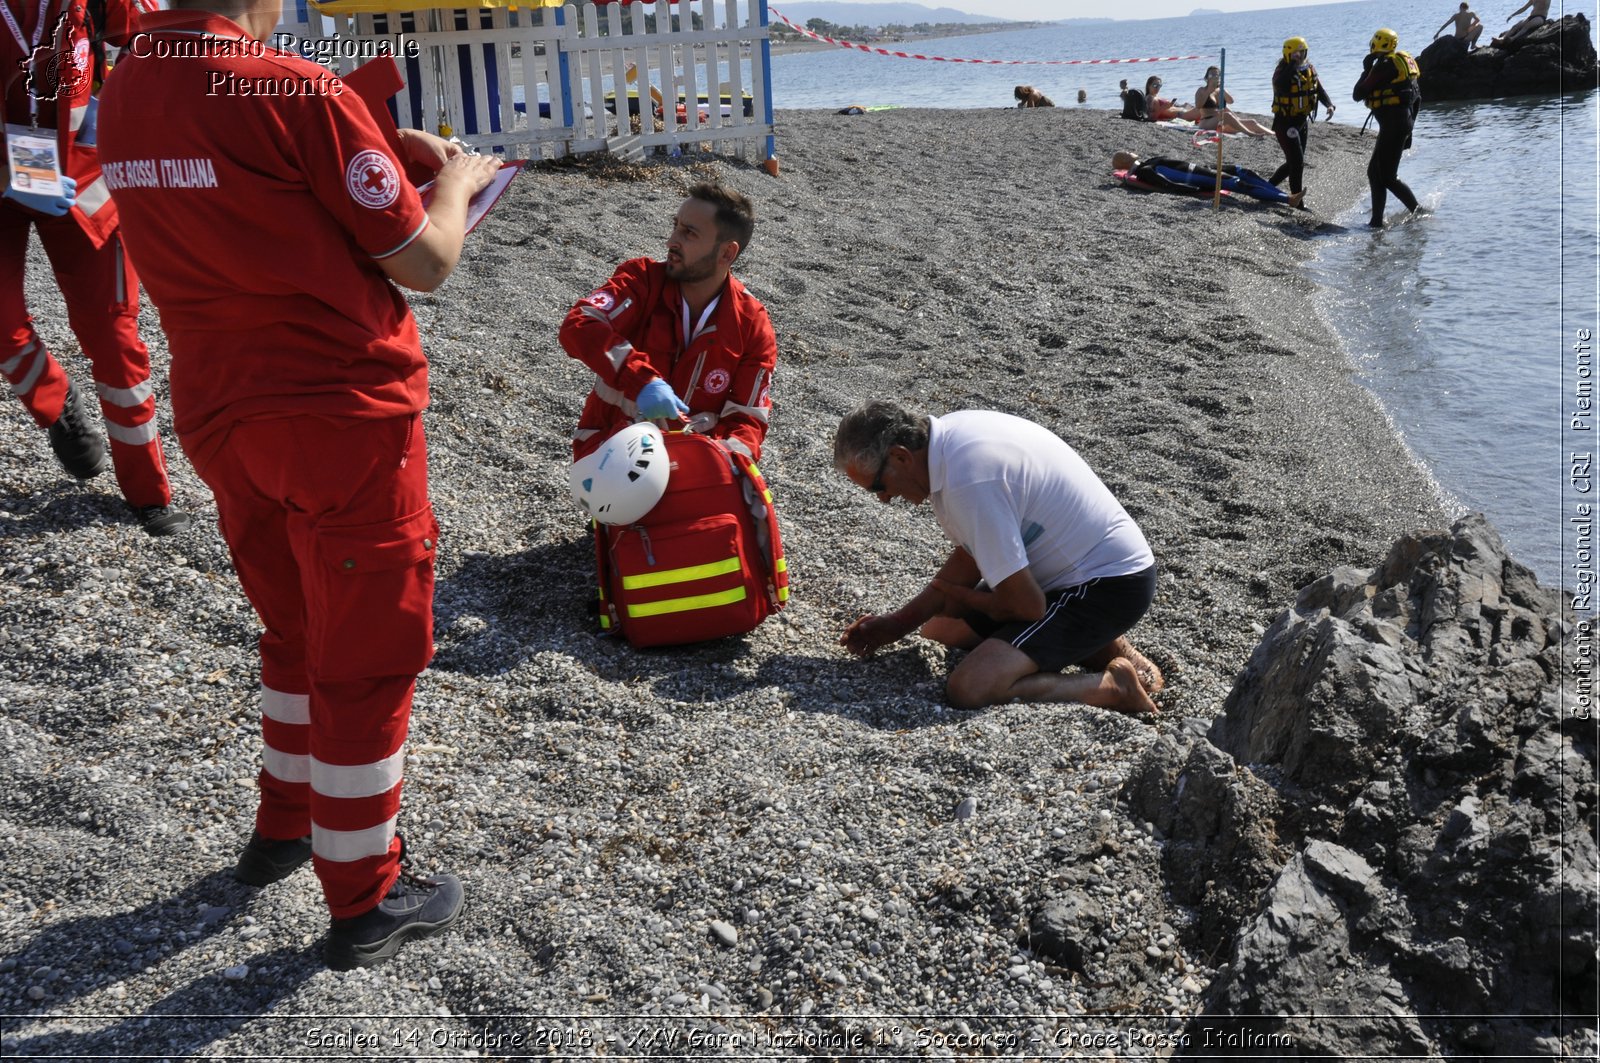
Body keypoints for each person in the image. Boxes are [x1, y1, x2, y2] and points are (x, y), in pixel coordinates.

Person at [99, 0, 502, 969]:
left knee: (290, 625)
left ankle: (283, 824)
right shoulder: (294, 89)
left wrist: (361, 142)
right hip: (339, 410)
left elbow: (244, 191)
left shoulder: (126, 87)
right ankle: (364, 895)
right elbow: (426, 260)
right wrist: (456, 181)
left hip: (218, 403)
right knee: (365, 653)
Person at [834, 402, 1163, 716]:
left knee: (971, 688)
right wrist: (898, 623)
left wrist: (968, 599)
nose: (885, 499)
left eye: (879, 486)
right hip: (1079, 568)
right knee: (941, 630)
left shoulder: (969, 484)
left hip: (1107, 584)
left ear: (900, 456)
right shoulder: (951, 438)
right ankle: (1096, 643)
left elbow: (1027, 607)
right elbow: (972, 553)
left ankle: (1111, 688)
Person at [1, 0, 189, 535]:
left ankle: (147, 491)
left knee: (113, 337)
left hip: (81, 182)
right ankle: (55, 402)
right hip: (10, 177)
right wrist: (11, 175)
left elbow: (165, 51)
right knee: (3, 326)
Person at [559, 183, 775, 462]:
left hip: (692, 467)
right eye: (675, 226)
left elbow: (748, 419)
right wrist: (642, 381)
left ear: (726, 254)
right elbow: (579, 324)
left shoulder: (752, 324)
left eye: (689, 233)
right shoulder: (642, 279)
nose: (672, 241)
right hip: (609, 452)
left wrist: (726, 463)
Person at [1354, 27, 1423, 228]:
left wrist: (1366, 69)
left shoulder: (1383, 66)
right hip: (1400, 123)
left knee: (1387, 177)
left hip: (1395, 125)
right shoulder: (1402, 61)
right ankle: (1376, 221)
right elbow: (1417, 97)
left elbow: (1358, 94)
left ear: (1376, 43)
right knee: (1374, 173)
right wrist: (1410, 129)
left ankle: (1418, 211)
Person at [1269, 37, 1335, 204]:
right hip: (1285, 123)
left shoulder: (1308, 69)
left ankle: (1269, 186)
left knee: (1294, 162)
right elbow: (1281, 84)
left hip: (1301, 122)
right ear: (1288, 53)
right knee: (1296, 163)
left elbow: (1318, 89)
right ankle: (1297, 202)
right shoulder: (1282, 70)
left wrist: (1329, 105)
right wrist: (1292, 64)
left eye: (1303, 52)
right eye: (1296, 53)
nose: (1300, 55)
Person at [1113, 150, 1304, 207]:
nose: (1131, 151)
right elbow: (1167, 184)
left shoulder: (1149, 162)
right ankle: (1287, 199)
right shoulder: (1146, 169)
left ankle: (1279, 194)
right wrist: (1194, 191)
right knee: (1238, 183)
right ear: (1124, 160)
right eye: (1126, 153)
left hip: (1199, 168)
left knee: (1242, 171)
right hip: (1196, 175)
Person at [1190, 67, 1273, 137]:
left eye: (1217, 75)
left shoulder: (1219, 91)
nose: (1215, 77)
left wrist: (1222, 89)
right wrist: (1209, 90)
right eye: (1212, 75)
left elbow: (1231, 101)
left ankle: (1273, 134)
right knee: (1227, 115)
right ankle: (1250, 134)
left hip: (1220, 121)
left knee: (1252, 122)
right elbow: (1198, 106)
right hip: (1206, 122)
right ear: (1207, 78)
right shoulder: (1201, 90)